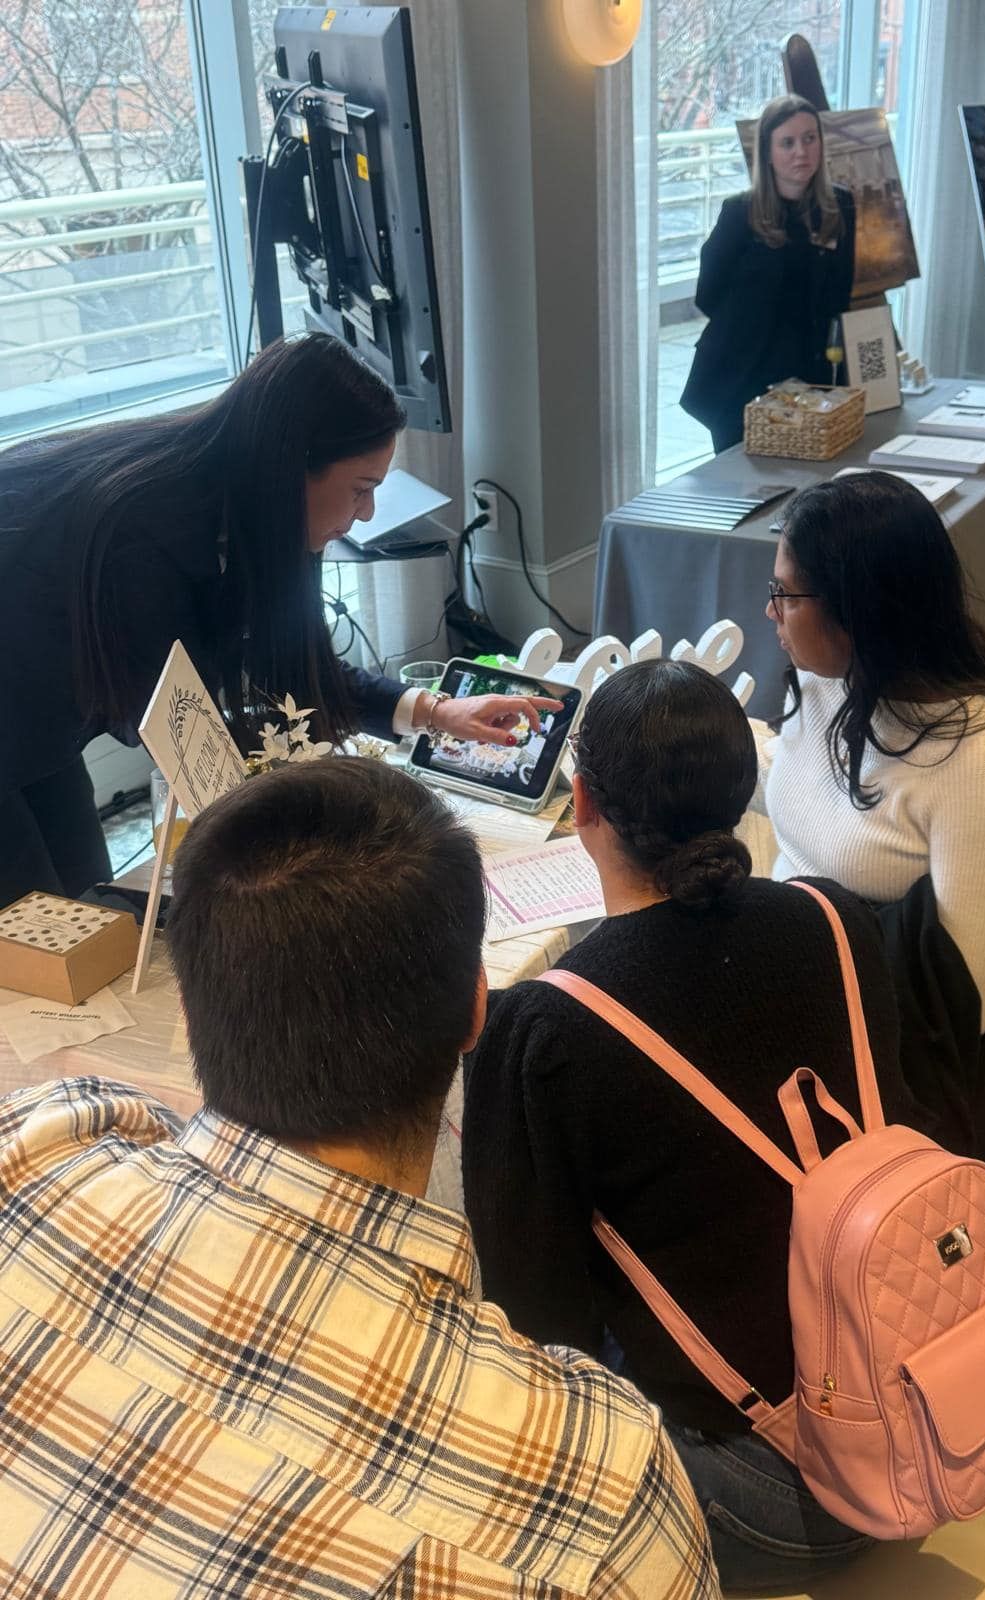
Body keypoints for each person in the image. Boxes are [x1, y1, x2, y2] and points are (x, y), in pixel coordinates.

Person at [0, 758, 718, 1600]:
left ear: (189, 1009)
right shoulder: (605, 1480)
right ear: (476, 1013)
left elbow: (128, 1117)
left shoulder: (40, 1143)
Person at [463, 659, 916, 1594]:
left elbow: (537, 1324)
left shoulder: (544, 1026)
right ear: (742, 792)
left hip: (771, 1494)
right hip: (925, 1407)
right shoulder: (831, 919)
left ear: (581, 799)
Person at [0, 331, 558, 906]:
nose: (364, 515)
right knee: (34, 934)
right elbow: (189, 734)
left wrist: (438, 711)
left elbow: (298, 663)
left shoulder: (234, 507)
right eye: (361, 490)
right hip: (16, 714)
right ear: (292, 467)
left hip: (41, 721)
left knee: (81, 909)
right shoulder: (142, 536)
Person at [762, 471, 985, 1257]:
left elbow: (966, 1001)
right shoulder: (828, 676)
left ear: (859, 611)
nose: (770, 613)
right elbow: (802, 816)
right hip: (798, 976)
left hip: (889, 1058)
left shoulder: (980, 751)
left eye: (787, 596)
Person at [680, 94, 856, 455]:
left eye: (810, 138)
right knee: (745, 488)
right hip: (742, 372)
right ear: (768, 152)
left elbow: (840, 293)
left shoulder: (841, 207)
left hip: (810, 375)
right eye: (787, 143)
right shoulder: (739, 213)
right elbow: (708, 294)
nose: (801, 152)